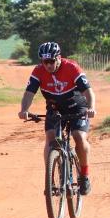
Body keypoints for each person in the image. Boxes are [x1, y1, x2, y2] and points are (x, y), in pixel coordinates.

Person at [18, 42, 96, 195]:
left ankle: (84, 176)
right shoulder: (38, 71)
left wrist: (91, 107)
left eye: (51, 61)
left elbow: (88, 92)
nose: (48, 65)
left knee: (78, 136)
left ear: (59, 58)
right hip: (54, 107)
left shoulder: (72, 68)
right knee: (50, 137)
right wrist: (24, 110)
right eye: (44, 62)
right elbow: (28, 94)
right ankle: (50, 178)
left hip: (77, 106)